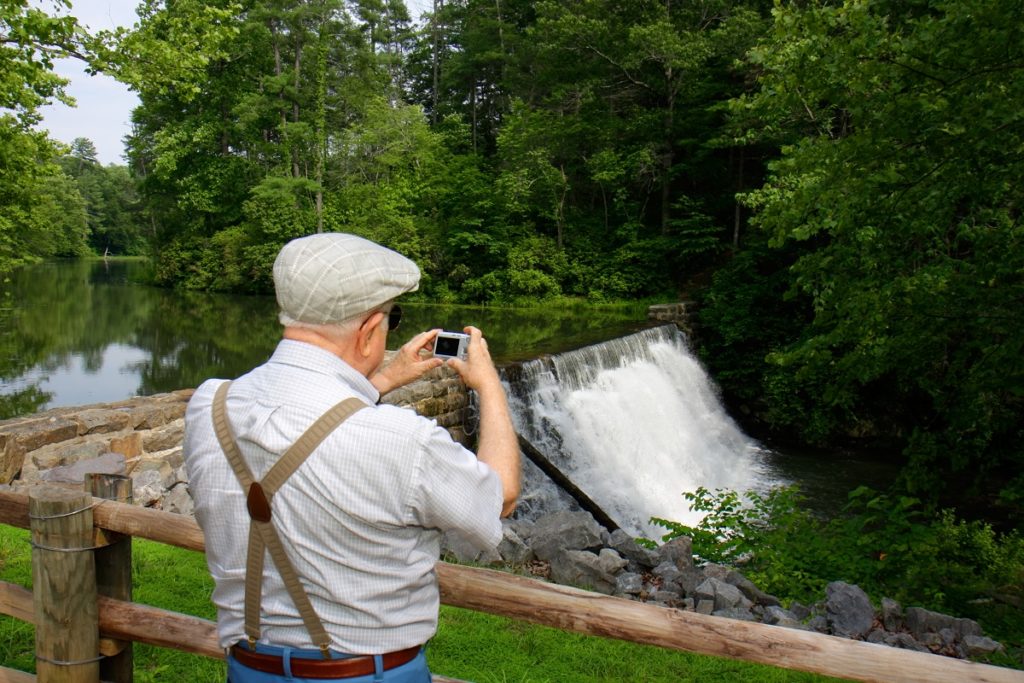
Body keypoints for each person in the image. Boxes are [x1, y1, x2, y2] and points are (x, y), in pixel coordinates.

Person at [183, 232, 521, 682]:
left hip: (249, 669)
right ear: (367, 332)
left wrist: (379, 380)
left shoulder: (211, 404)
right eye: (391, 319)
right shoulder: (405, 441)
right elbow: (500, 496)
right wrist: (489, 385)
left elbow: (303, 424)